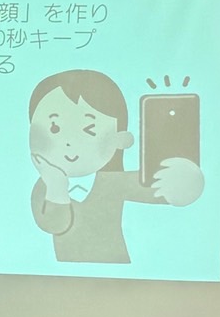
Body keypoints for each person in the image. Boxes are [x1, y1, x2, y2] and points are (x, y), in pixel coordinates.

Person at [27, 68, 202, 264]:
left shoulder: (113, 182)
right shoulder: (45, 187)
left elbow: (164, 192)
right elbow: (55, 225)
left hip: (119, 273)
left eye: (89, 129)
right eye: (54, 127)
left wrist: (185, 176)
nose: (69, 141)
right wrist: (57, 188)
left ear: (121, 139)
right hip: (62, 279)